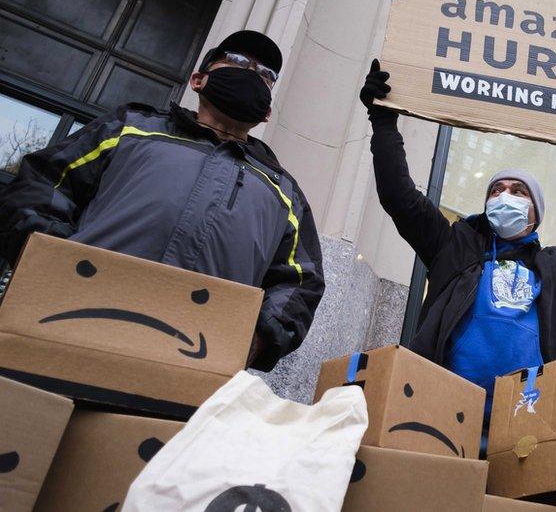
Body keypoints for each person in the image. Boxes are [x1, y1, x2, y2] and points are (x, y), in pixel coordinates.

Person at [358, 60, 556, 415]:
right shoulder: (454, 245)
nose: (504, 196)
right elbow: (399, 196)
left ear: (535, 212)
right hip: (441, 403)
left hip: (526, 416)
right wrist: (383, 122)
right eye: (496, 190)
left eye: (517, 191)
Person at [0, 31, 324, 371]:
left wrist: (256, 339)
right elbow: (41, 186)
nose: (252, 74)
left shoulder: (283, 191)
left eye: (265, 76)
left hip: (190, 364)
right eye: (240, 62)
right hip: (62, 328)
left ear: (268, 112)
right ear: (198, 80)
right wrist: (54, 264)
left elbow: (301, 282)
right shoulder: (128, 129)